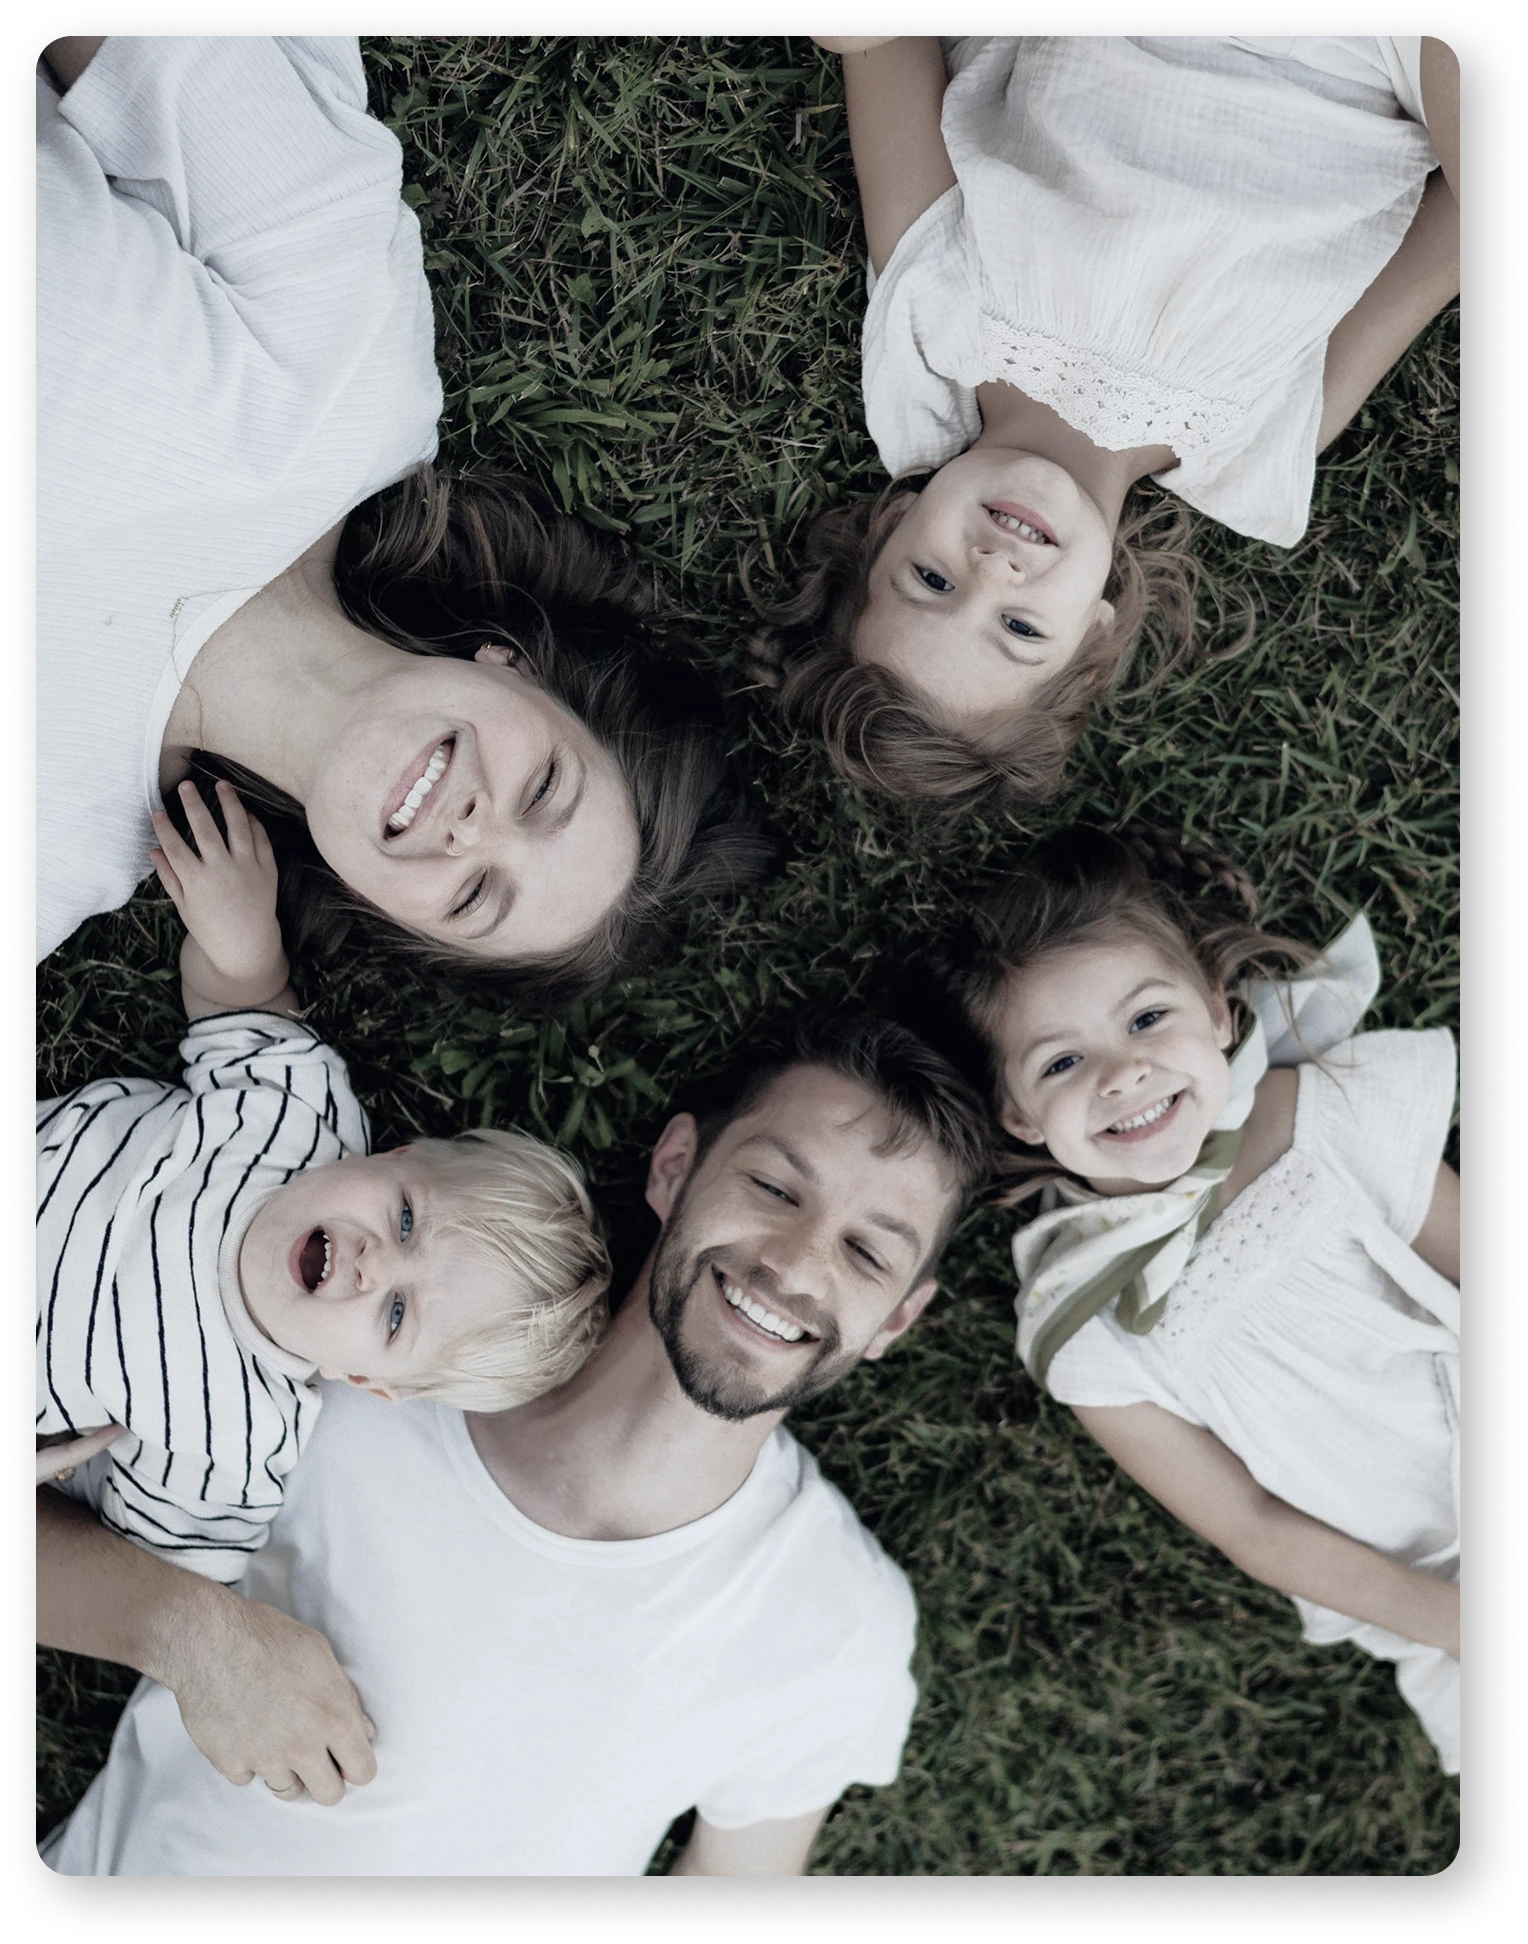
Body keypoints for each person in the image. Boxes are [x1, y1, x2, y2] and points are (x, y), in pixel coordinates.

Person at [38, 1012, 993, 1875]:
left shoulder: (836, 1627)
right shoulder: (355, 1360)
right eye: (775, 1186)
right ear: (674, 1168)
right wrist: (194, 1636)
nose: (795, 1264)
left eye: (868, 1252)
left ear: (895, 1321)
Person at [38, 34, 770, 997]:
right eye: (544, 788)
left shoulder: (57, 855)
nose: (472, 829)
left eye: (475, 898)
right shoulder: (351, 384)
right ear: (516, 662)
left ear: (374, 909)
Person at [750, 34, 1460, 818]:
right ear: (1093, 633)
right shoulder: (1250, 446)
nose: (993, 570)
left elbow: (884, 45)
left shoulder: (943, 318)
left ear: (890, 525)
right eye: (1019, 628)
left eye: (932, 579)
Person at [936, 826, 1460, 1770]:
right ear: (1017, 1113)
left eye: (1146, 1021)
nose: (1120, 1073)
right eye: (1059, 1064)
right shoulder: (1084, 1323)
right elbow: (1250, 1521)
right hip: (1433, 1586)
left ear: (1219, 1014)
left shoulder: (1318, 1116)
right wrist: (1459, 1622)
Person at [38, 775, 610, 1585]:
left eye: (398, 1313)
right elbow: (241, 1000)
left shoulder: (236, 1439)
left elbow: (160, 1579)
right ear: (397, 1157)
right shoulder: (296, 1116)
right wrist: (240, 934)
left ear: (369, 1383)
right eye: (408, 1221)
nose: (377, 1263)